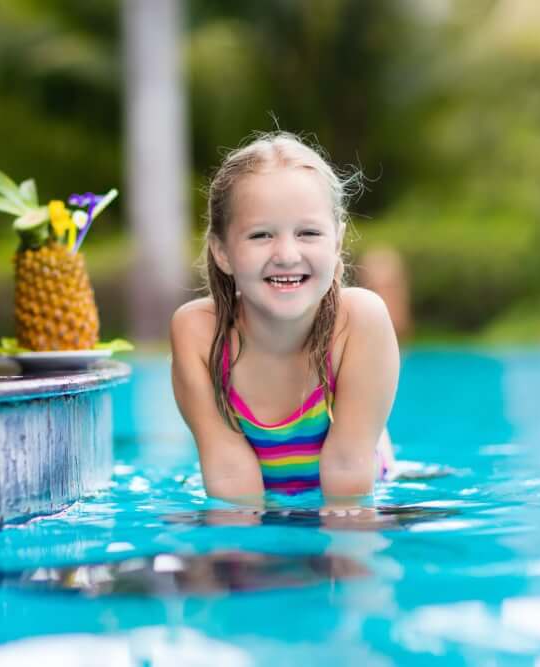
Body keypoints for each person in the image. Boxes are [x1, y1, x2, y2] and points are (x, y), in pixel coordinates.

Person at [170, 132, 399, 508]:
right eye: (261, 235)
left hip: (359, 463)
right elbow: (230, 480)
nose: (287, 254)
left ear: (337, 243)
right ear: (222, 251)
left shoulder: (359, 320)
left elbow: (348, 484)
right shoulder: (198, 333)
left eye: (308, 233)